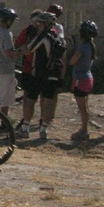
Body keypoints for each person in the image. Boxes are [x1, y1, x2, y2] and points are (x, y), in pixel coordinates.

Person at [17, 11, 65, 140]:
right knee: (48, 102)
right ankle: (44, 130)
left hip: (38, 74)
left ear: (44, 24)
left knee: (30, 101)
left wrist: (20, 49)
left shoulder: (43, 37)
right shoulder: (57, 37)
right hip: (52, 75)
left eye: (39, 23)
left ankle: (25, 128)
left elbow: (28, 50)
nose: (37, 26)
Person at [0, 7, 22, 118]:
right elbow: (8, 52)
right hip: (6, 70)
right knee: (5, 99)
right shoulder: (6, 33)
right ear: (8, 20)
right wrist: (19, 53)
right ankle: (4, 121)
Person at [68, 20, 97, 141]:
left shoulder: (83, 46)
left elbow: (72, 61)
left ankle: (84, 131)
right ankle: (84, 129)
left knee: (82, 108)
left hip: (81, 78)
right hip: (88, 77)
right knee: (85, 106)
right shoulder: (91, 45)